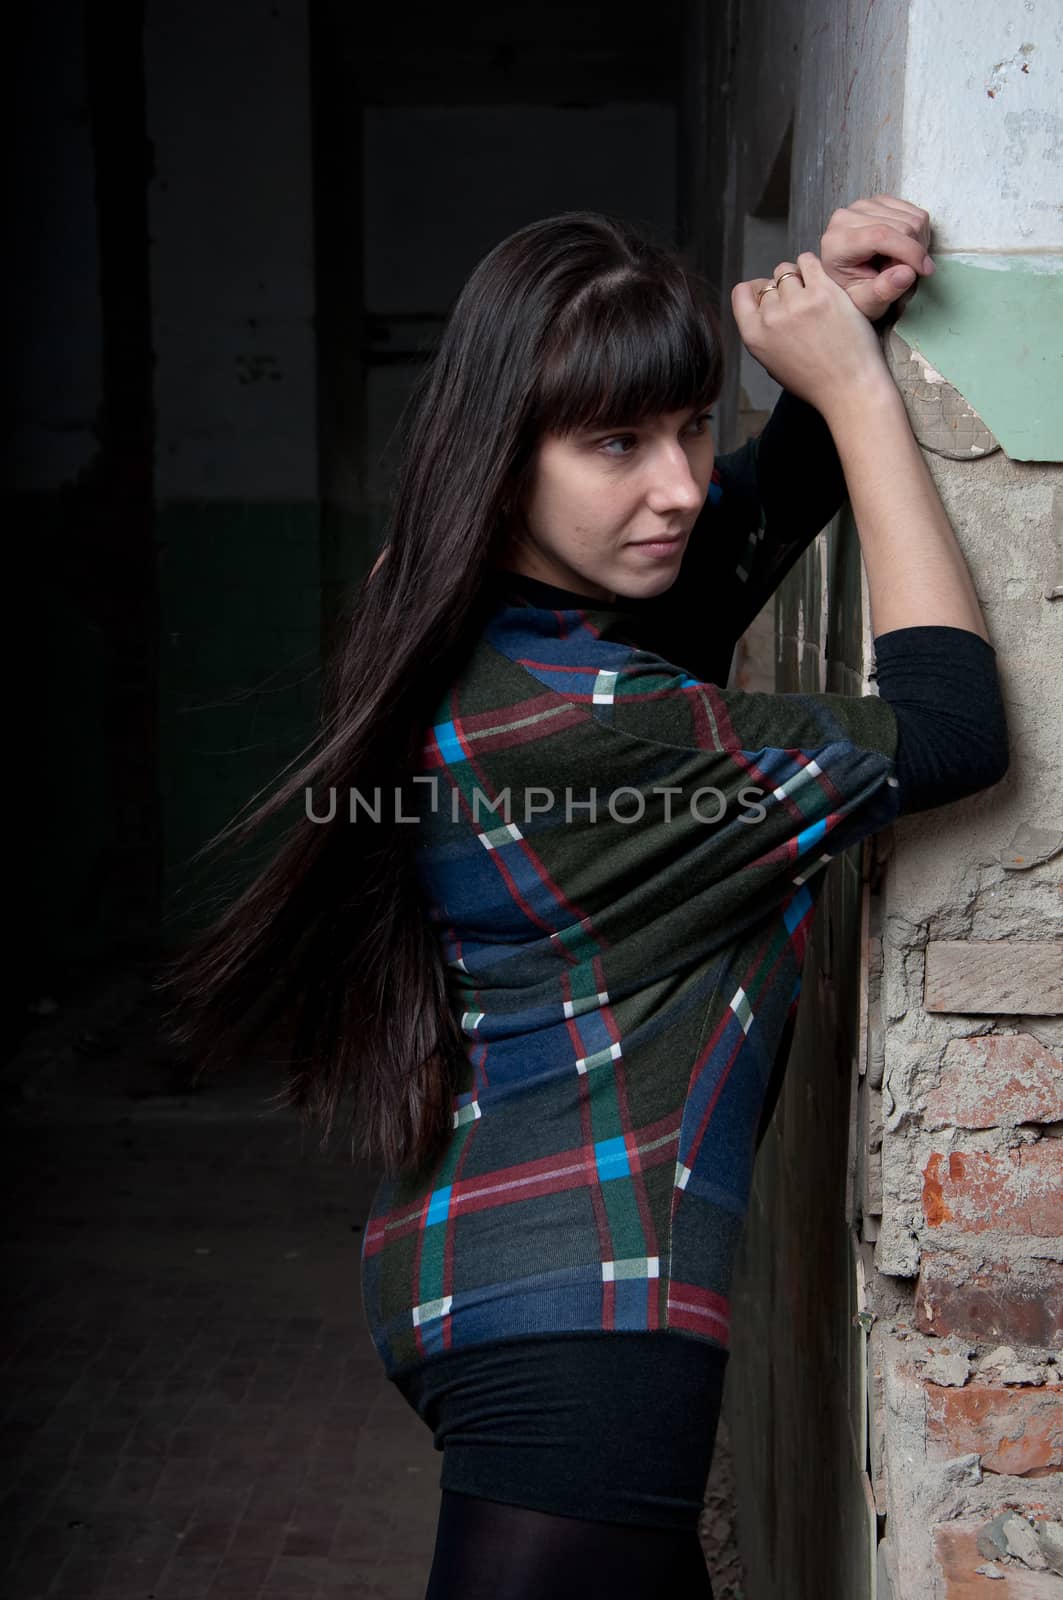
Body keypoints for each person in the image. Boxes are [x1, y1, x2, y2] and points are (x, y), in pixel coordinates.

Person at [160, 197, 1009, 1599]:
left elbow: (717, 550)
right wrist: (858, 396)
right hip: (581, 1325)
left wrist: (831, 338)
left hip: (499, 1270)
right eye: (617, 443)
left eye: (685, 426)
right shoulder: (602, 728)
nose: (676, 483)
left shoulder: (452, 616)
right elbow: (954, 724)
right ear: (504, 467)